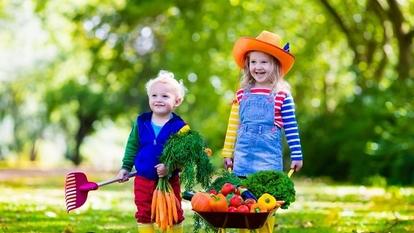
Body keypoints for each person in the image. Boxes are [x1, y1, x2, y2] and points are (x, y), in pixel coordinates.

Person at [222, 31, 304, 232]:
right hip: (243, 157)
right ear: (247, 66)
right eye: (253, 62)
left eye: (264, 62)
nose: (257, 67)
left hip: (268, 160)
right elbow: (233, 125)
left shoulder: (281, 95)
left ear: (275, 64)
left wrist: (297, 154)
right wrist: (227, 152)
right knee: (244, 203)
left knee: (266, 204)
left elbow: (291, 127)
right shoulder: (241, 94)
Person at [116, 70, 188, 233]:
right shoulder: (141, 122)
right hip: (143, 180)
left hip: (169, 182)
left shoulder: (180, 127)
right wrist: (125, 167)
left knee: (173, 213)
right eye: (154, 96)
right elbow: (132, 145)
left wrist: (170, 166)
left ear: (177, 101)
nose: (158, 100)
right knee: (144, 213)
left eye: (165, 96)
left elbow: (184, 155)